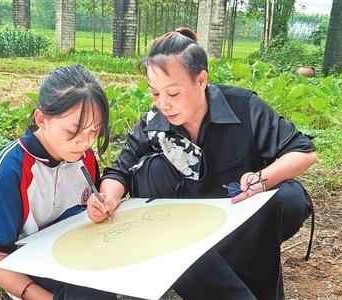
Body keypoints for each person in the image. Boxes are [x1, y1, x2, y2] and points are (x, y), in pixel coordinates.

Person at [87, 28, 316, 299]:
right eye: (155, 94)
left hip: (239, 209)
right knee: (151, 171)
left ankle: (229, 260)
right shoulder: (153, 121)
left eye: (173, 93)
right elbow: (120, 170)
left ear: (201, 80)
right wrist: (107, 198)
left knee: (290, 197)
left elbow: (303, 151)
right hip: (182, 221)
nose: (163, 104)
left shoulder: (243, 107)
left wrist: (262, 178)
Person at [0, 65, 116, 300]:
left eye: (94, 132)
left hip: (75, 256)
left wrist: (97, 210)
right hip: (31, 275)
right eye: (73, 132)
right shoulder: (12, 168)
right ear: (42, 119)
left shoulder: (85, 160)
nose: (84, 143)